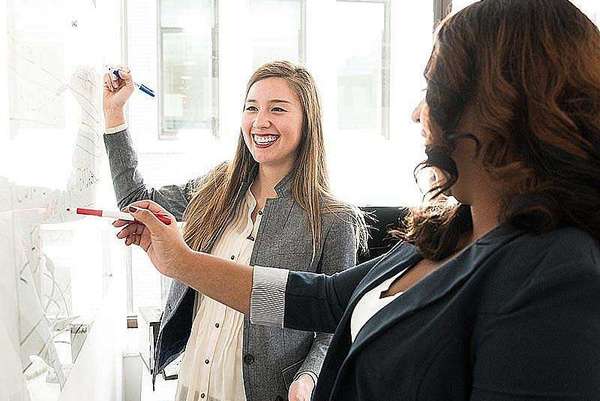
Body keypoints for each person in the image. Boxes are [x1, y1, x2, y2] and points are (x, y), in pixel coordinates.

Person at [113, 0, 600, 400]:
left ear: (502, 107)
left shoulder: (558, 271)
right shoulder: (447, 234)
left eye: (434, 88)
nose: (415, 112)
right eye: (251, 108)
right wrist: (180, 262)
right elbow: (320, 298)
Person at [103, 61, 367, 401]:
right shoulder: (217, 188)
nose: (260, 121)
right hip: (193, 386)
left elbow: (335, 325)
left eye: (278, 109)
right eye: (251, 108)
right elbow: (137, 201)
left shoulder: (333, 219)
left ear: (307, 121)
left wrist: (308, 378)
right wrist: (114, 114)